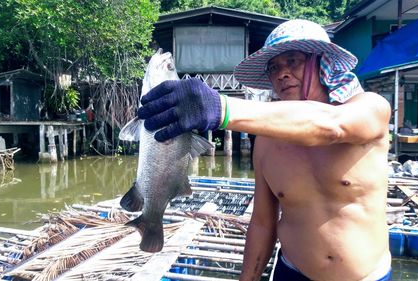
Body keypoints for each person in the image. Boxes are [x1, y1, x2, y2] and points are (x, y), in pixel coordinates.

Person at [138, 19, 392, 281]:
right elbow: (262, 223)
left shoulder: (369, 108)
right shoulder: (267, 141)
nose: (282, 73)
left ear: (320, 62)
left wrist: (220, 108)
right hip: (291, 272)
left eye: (293, 61)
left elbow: (331, 126)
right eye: (274, 67)